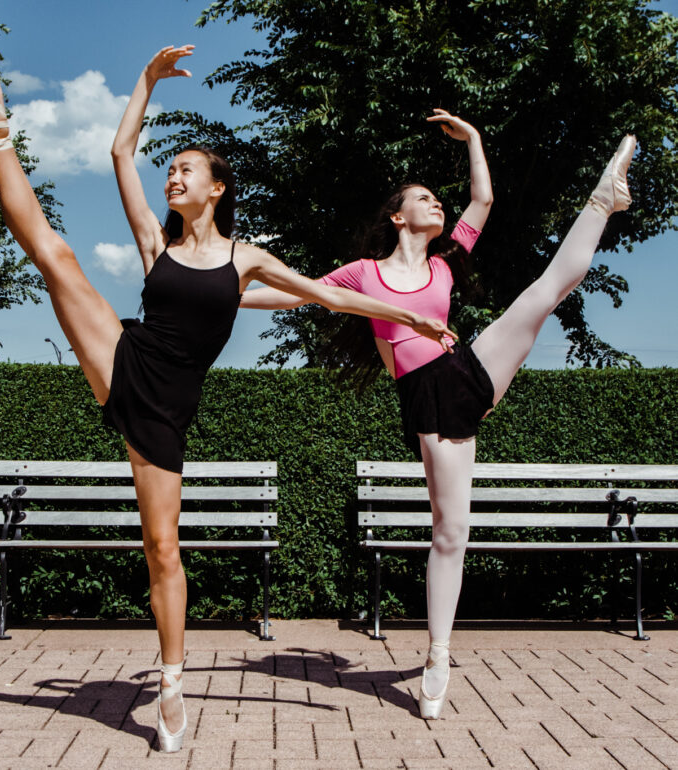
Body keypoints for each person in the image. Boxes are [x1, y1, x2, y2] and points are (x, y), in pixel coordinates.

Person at [0, 44, 463, 751]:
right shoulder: (153, 244)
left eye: (185, 169)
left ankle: (171, 679)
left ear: (217, 188)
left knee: (162, 548)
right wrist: (144, 80)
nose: (172, 176)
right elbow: (117, 151)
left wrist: (410, 316)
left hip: (168, 412)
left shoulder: (244, 258)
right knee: (58, 257)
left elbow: (326, 294)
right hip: (125, 357)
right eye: (169, 170)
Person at [241, 110, 636, 719]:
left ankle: (602, 199)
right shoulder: (363, 275)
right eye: (424, 199)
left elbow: (484, 197)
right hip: (425, 395)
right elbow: (295, 293)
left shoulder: (448, 261)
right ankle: (437, 653)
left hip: (467, 372)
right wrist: (220, 290)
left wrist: (474, 137)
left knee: (545, 290)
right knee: (451, 531)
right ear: (398, 216)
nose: (439, 206)